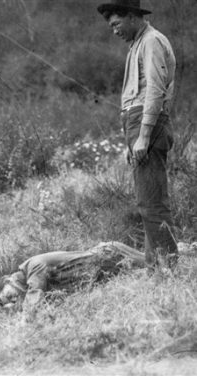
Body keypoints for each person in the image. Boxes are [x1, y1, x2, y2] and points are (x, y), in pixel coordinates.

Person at [98, 0, 178, 273]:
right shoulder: (138, 43)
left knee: (152, 201)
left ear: (133, 17)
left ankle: (168, 269)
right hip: (139, 122)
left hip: (147, 122)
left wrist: (143, 136)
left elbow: (155, 91)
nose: (114, 31)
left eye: (117, 24)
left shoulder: (152, 41)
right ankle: (155, 265)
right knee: (147, 201)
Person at [0, 241, 146, 310]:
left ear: (11, 279)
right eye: (10, 302)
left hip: (110, 255)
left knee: (160, 263)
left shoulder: (33, 267)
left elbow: (33, 304)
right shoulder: (32, 280)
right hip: (110, 269)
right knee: (158, 266)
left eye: (9, 295)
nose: (14, 300)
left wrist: (21, 321)